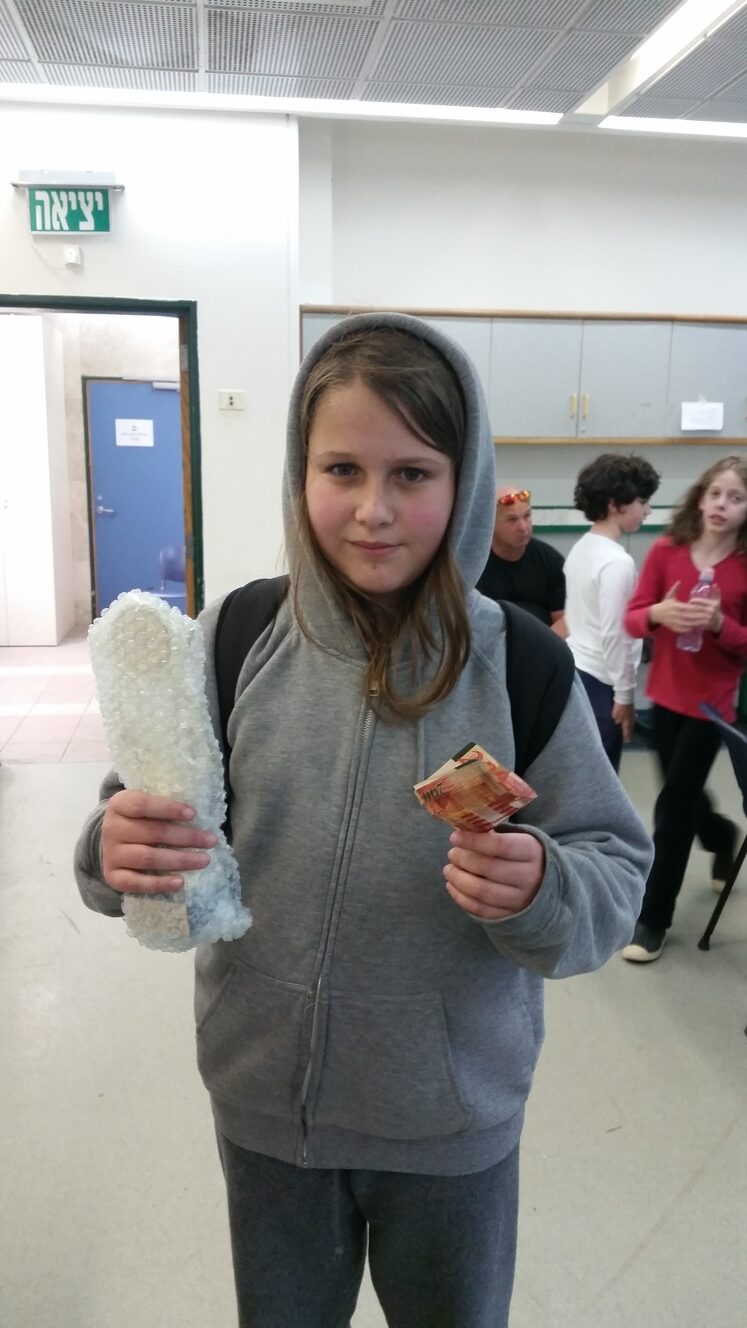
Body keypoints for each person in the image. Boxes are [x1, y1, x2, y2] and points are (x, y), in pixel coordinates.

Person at [74, 314, 652, 1328]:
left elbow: (611, 865)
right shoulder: (238, 635)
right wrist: (109, 848)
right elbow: (135, 804)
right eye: (341, 468)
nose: (373, 510)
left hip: (450, 1121)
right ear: (299, 472)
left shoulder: (522, 664)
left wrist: (543, 884)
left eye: (412, 474)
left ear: (463, 482)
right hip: (263, 1107)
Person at [622, 455, 747, 964]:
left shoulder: (743, 567)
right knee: (683, 796)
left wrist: (719, 625)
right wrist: (658, 613)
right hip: (665, 697)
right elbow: (632, 620)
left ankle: (653, 919)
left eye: (736, 498)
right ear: (700, 497)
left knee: (672, 809)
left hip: (710, 707)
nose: (722, 505)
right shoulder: (666, 550)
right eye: (715, 493)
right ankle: (722, 834)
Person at [564, 453, 661, 772]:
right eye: (642, 501)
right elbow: (616, 636)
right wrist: (625, 695)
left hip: (577, 674)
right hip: (601, 686)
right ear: (614, 505)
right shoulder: (617, 563)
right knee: (600, 777)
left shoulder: (582, 547)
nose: (647, 510)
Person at [476, 486, 566, 633]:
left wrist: (544, 644)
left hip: (543, 640)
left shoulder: (551, 560)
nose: (523, 527)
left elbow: (564, 619)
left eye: (527, 516)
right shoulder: (475, 564)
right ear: (490, 523)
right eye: (512, 520)